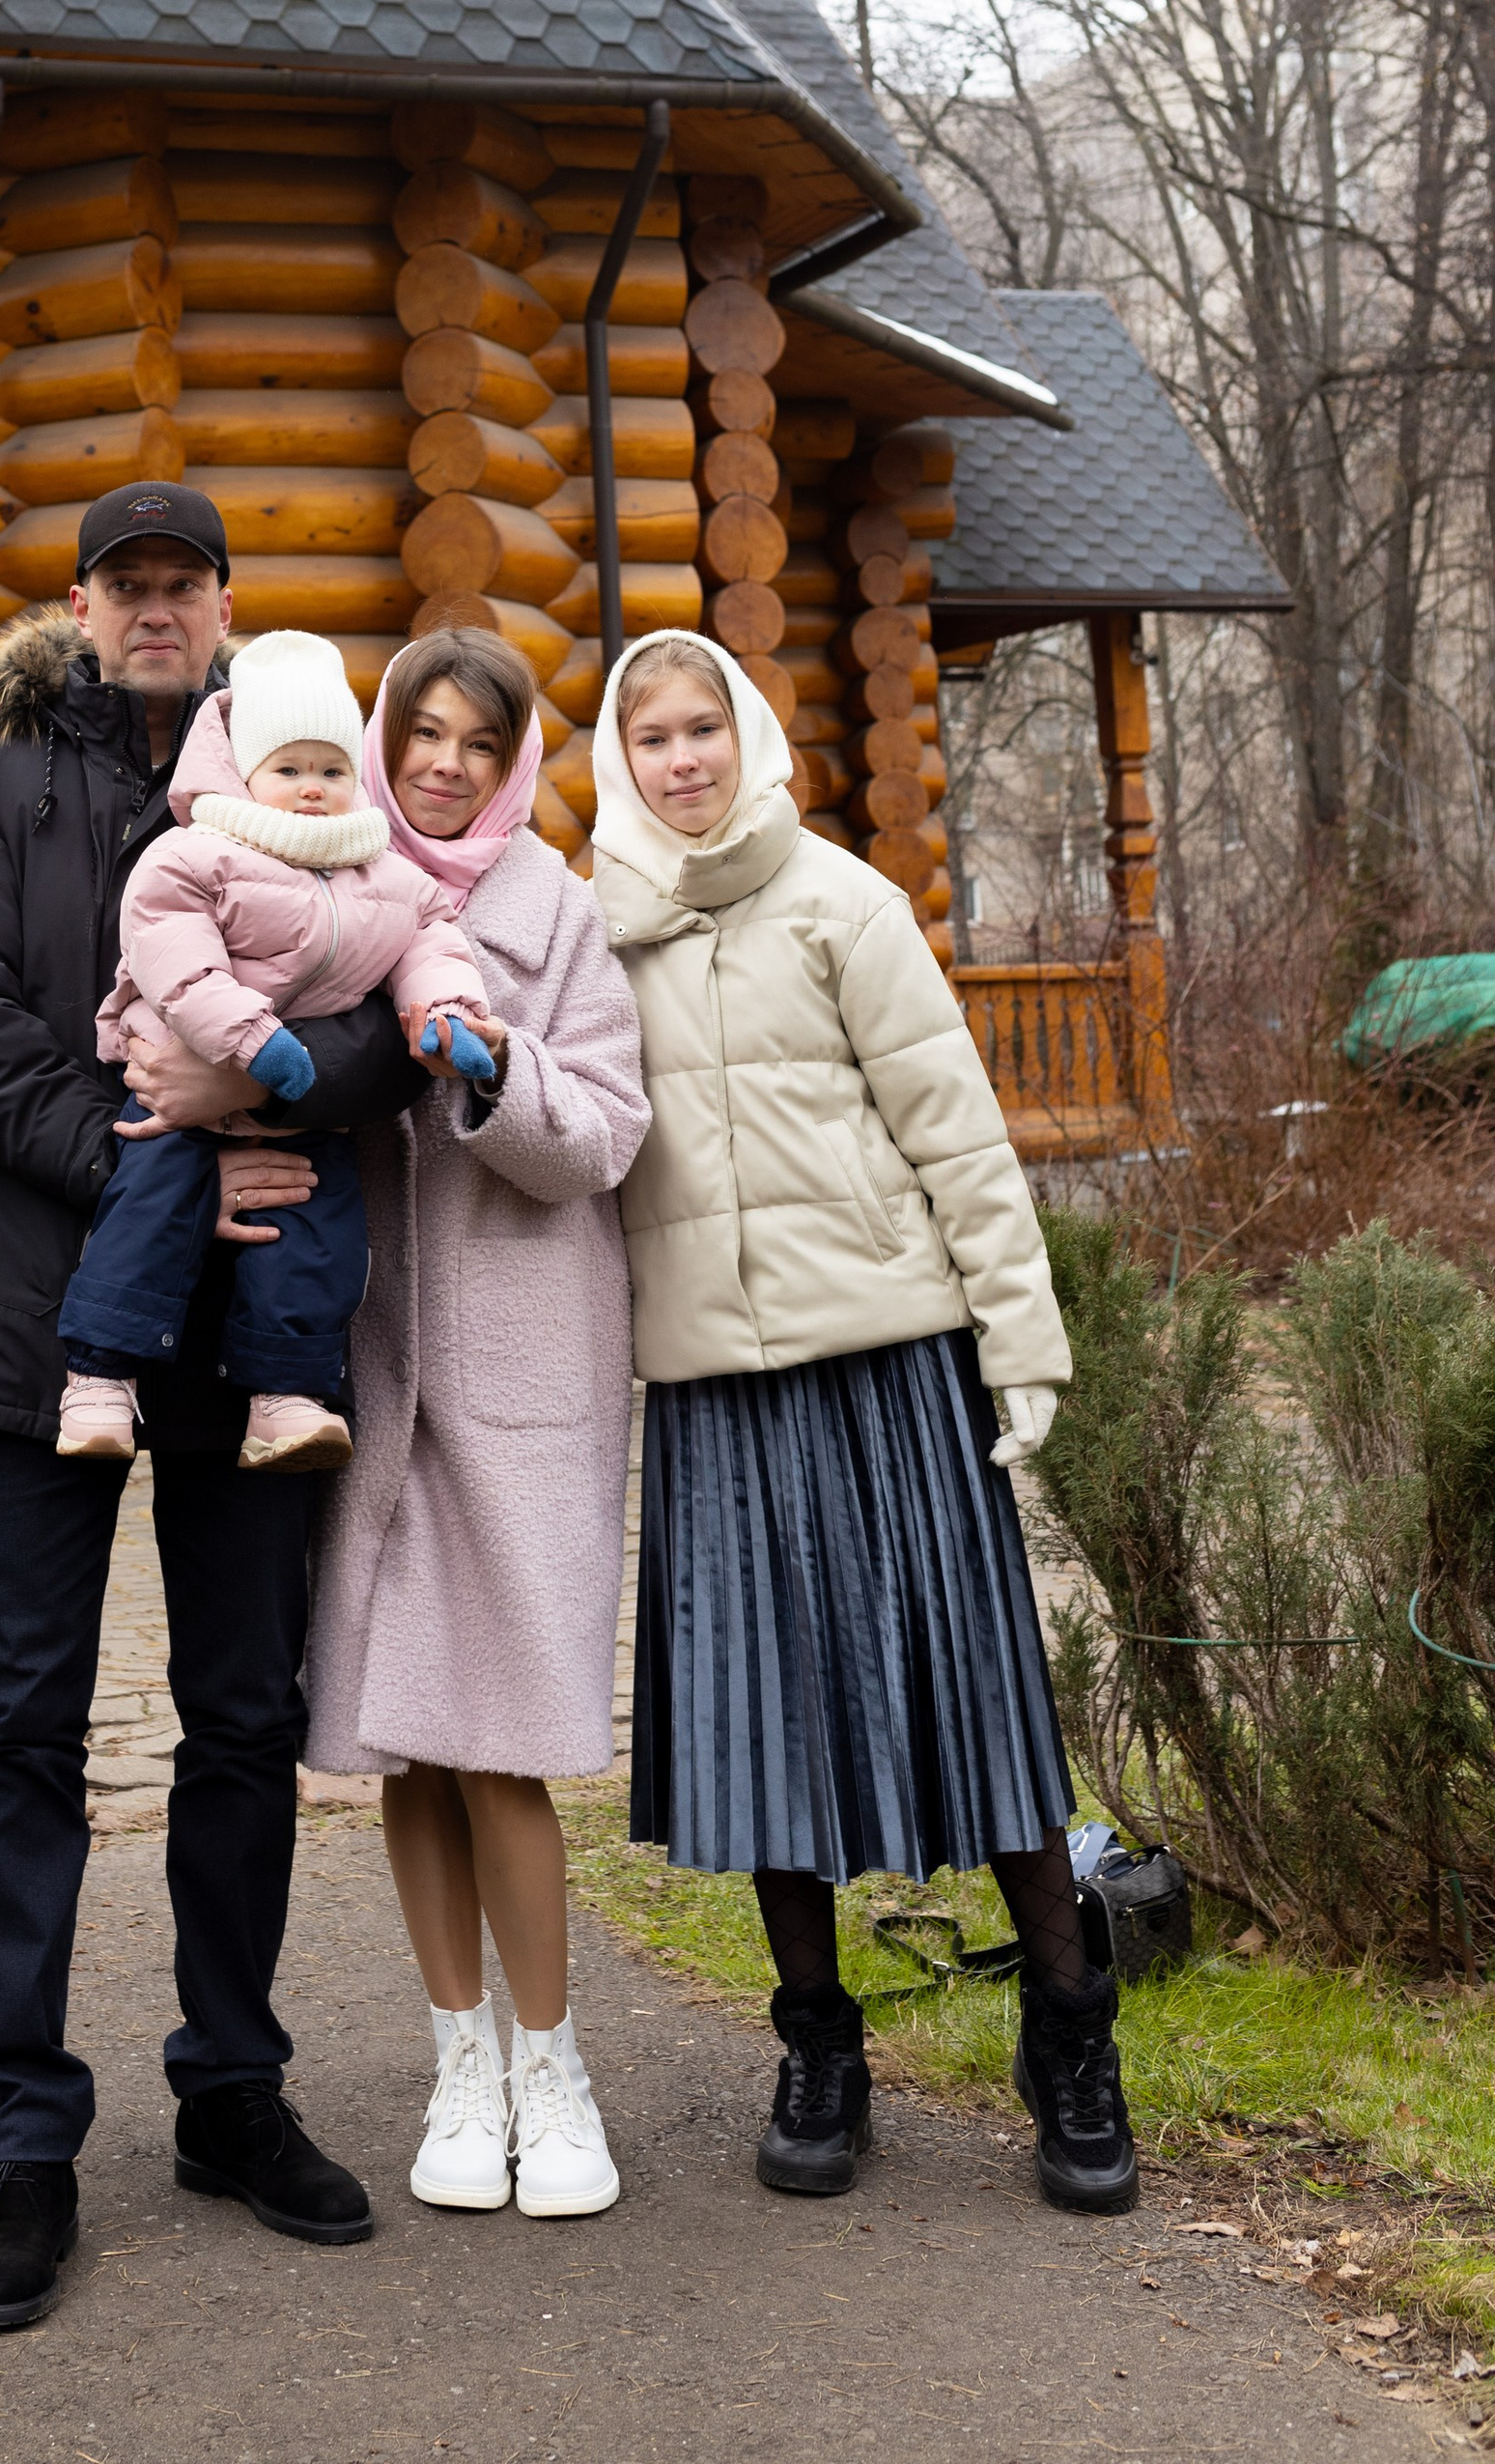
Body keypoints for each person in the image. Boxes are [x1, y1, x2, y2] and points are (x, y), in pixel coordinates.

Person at [0, 488, 426, 2334]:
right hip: (32, 1329)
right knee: (25, 1726)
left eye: (185, 587)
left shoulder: (301, 786)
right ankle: (21, 2136)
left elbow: (385, 1001)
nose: (156, 614)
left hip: (248, 1342)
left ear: (222, 609)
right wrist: (153, 1156)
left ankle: (232, 2087)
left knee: (244, 1714)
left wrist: (264, 1115)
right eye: (128, 589)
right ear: (83, 607)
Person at [592, 626, 1136, 2218]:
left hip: (891, 1360)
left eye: (704, 729)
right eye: (654, 739)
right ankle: (820, 2045)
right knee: (766, 1721)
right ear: (620, 766)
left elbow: (958, 1133)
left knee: (974, 1701)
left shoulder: (841, 903)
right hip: (714, 1390)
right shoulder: (599, 933)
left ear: (746, 737)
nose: (682, 760)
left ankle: (1068, 2030)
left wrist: (1018, 1336)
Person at [307, 631, 650, 2223]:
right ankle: (458, 2062)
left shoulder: (557, 913)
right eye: (420, 735)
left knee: (503, 1753)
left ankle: (551, 2066)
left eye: (473, 740)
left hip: (522, 1378)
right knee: (407, 1749)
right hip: (377, 1373)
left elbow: (603, 1139)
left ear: (515, 757)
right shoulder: (341, 894)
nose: (441, 763)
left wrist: (494, 1071)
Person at [59, 628, 499, 1475]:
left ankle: (287, 1395)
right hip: (182, 1076)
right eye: (289, 769)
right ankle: (100, 1377)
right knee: (148, 1209)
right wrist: (250, 1040)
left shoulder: (382, 872)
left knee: (314, 1231)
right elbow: (170, 951)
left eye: (331, 771)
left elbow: (431, 939)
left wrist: (443, 1012)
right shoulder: (199, 853)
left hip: (297, 1101)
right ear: (243, 774)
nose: (311, 790)